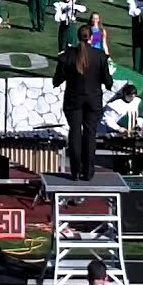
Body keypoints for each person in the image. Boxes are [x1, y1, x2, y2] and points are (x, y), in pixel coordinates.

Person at [53, 24, 113, 181]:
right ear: (91, 38)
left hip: (74, 99)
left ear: (78, 38)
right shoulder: (99, 56)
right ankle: (88, 171)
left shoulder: (68, 55)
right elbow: (108, 82)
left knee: (75, 132)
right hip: (93, 99)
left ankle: (75, 171)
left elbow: (57, 80)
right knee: (90, 133)